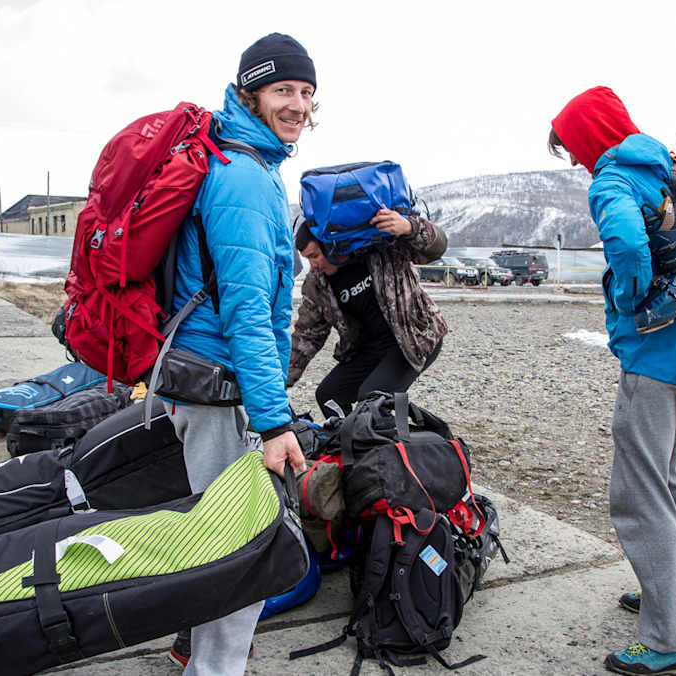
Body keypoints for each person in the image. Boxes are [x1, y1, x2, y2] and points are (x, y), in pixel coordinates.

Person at [156, 33, 311, 676]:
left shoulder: (250, 162)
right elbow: (248, 312)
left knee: (205, 534)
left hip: (201, 377)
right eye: (283, 90)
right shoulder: (245, 178)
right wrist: (274, 422)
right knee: (239, 546)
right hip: (220, 388)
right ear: (252, 92)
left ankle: (191, 649)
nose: (298, 104)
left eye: (306, 92)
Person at [549, 87, 676, 676]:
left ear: (589, 137)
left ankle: (670, 639)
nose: (575, 162)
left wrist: (635, 303)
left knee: (638, 493)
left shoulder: (612, 180)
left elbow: (629, 247)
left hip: (655, 351)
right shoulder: (662, 167)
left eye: (572, 148)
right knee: (668, 476)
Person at [287, 211, 448, 414]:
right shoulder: (317, 284)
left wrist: (410, 227)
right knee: (329, 396)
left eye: (314, 256)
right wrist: (277, 384)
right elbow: (307, 337)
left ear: (330, 244)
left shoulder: (380, 249)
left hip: (415, 338)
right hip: (372, 349)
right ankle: (346, 442)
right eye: (307, 259)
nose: (313, 265)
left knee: (371, 399)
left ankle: (387, 444)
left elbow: (438, 247)